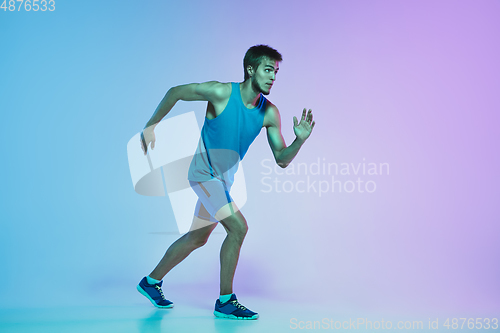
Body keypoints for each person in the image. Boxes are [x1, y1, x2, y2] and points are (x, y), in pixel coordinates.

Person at [137, 45, 315, 320]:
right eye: (268, 70)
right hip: (203, 174)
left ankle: (151, 282)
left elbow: (281, 158)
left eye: (276, 72)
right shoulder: (221, 93)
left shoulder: (270, 113)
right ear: (250, 69)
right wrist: (151, 125)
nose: (273, 78)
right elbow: (176, 92)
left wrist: (299, 141)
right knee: (239, 228)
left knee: (198, 237)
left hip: (223, 181)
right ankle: (225, 301)